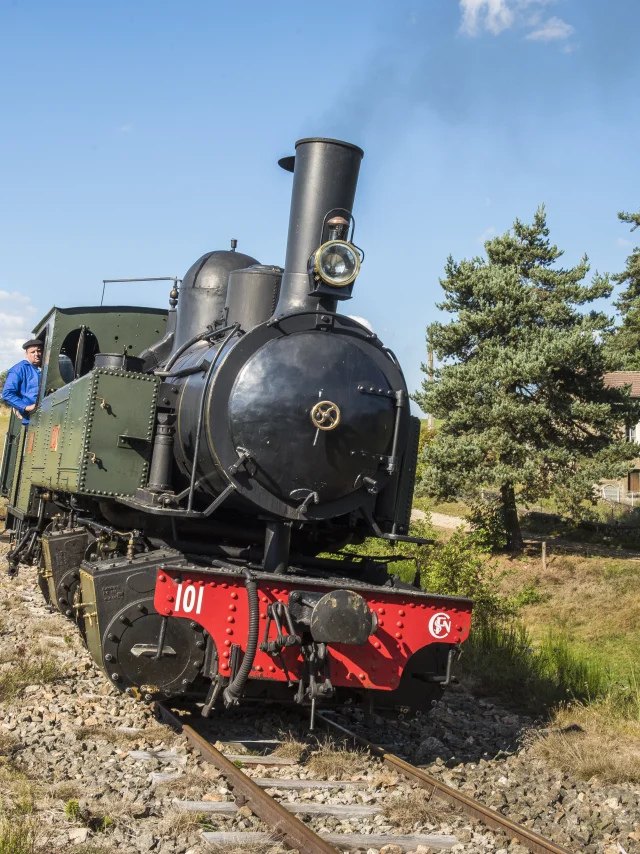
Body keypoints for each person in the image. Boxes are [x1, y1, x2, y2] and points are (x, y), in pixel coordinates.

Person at [2, 339, 43, 425]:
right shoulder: (18, 369)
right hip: (31, 419)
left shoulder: (43, 368)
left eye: (39, 351)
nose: (36, 354)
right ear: (26, 354)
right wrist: (26, 407)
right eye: (33, 352)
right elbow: (7, 393)